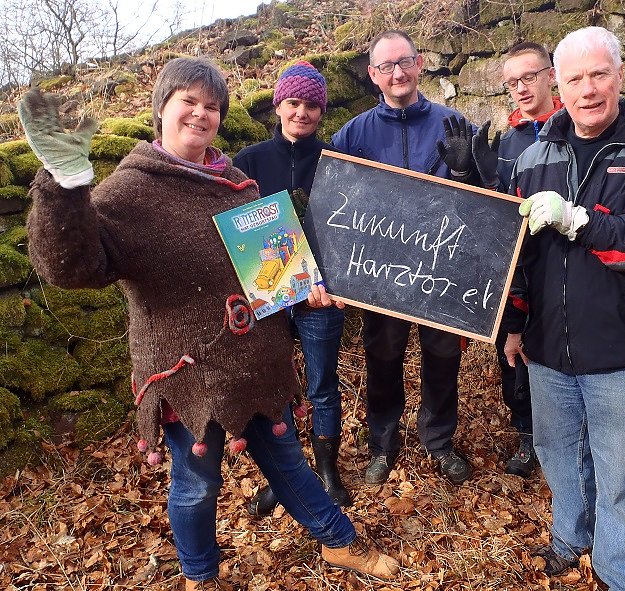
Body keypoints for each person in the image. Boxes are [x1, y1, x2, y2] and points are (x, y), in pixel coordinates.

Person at [19, 57, 399, 590]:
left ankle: (338, 541)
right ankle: (200, 575)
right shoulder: (130, 191)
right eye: (189, 102)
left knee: (288, 463)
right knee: (197, 486)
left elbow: (273, 275)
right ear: (161, 109)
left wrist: (305, 292)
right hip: (188, 375)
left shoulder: (236, 184)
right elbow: (72, 267)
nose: (201, 114)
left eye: (213, 106)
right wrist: (65, 185)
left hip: (256, 366)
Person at [503, 27, 625, 589]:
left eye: (598, 75)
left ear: (620, 76)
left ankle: (623, 572)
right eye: (575, 79)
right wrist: (514, 324)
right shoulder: (533, 158)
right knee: (558, 452)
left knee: (622, 470)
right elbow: (519, 256)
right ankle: (571, 537)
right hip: (547, 346)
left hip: (623, 347)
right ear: (557, 86)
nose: (587, 90)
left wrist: (581, 221)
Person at [331, 30, 475, 486]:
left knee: (443, 356)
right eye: (386, 66)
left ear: (420, 64)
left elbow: (483, 202)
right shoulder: (353, 134)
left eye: (405, 62)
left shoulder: (454, 124)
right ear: (373, 75)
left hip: (440, 267)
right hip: (381, 269)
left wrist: (464, 169)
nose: (398, 73)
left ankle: (439, 440)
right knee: (383, 356)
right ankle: (383, 443)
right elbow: (334, 201)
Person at [233, 61, 350, 518]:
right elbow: (236, 232)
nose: (302, 113)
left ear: (322, 112)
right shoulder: (250, 161)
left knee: (322, 385)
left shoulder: (336, 162)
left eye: (311, 106)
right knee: (274, 387)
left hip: (322, 295)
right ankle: (283, 477)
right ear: (279, 106)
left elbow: (351, 231)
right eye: (294, 103)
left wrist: (333, 285)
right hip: (269, 297)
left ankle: (327, 471)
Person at [465, 41, 564, 479]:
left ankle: (565, 439)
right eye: (512, 82)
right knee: (514, 358)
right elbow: (493, 216)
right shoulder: (506, 141)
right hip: (516, 271)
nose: (521, 88)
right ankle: (527, 435)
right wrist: (479, 178)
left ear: (551, 75)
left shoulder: (573, 130)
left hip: (563, 265)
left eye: (529, 77)